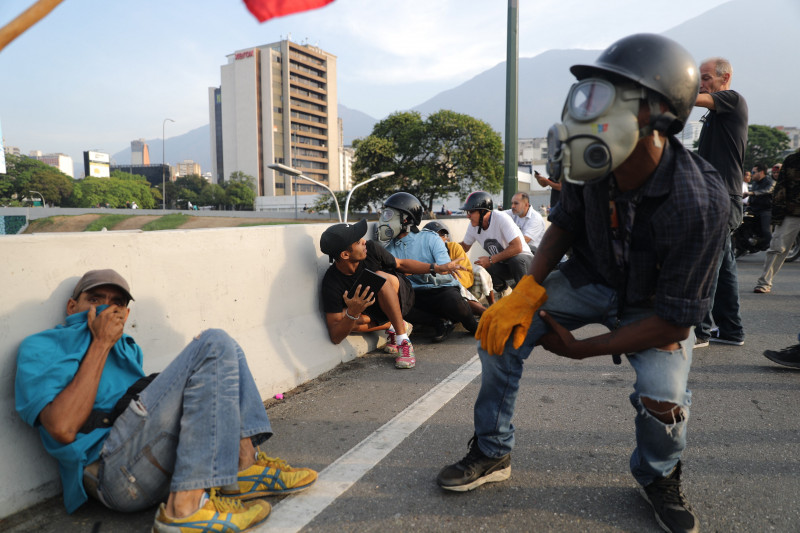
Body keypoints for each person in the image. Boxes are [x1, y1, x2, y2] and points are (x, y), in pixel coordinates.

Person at [437, 34, 728, 533]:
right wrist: (527, 292)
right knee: (498, 330)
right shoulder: (590, 164)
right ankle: (492, 450)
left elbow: (675, 324)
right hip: (589, 277)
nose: (589, 113)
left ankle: (658, 475)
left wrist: (583, 351)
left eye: (612, 98)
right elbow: (565, 224)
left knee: (665, 400)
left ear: (660, 116)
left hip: (654, 310)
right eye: (590, 95)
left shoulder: (700, 201)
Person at [15, 269, 317, 532]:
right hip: (113, 473)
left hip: (149, 460)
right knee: (213, 341)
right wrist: (101, 343)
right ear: (72, 306)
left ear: (126, 315)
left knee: (229, 349)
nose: (107, 309)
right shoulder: (41, 346)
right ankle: (184, 509)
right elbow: (62, 428)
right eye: (96, 299)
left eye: (117, 303)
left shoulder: (127, 350)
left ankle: (242, 467)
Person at [693, 56, 748, 348]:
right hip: (715, 197)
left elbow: (691, 98)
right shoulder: (716, 113)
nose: (702, 84)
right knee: (724, 268)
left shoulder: (732, 99)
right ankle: (731, 330)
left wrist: (671, 84)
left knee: (707, 265)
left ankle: (700, 331)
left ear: (724, 78)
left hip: (722, 199)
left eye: (706, 77)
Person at [379, 192, 478, 343]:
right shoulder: (388, 250)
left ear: (406, 219)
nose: (384, 219)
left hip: (440, 291)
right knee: (396, 305)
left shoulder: (430, 238)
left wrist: (413, 272)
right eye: (384, 214)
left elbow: (445, 273)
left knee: (453, 300)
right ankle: (440, 323)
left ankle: (473, 325)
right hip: (414, 295)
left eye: (389, 215)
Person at [319, 218, 416, 368]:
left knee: (380, 277)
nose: (364, 241)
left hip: (398, 296)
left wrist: (434, 268)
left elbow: (400, 264)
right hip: (370, 309)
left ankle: (403, 340)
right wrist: (352, 312)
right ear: (345, 255)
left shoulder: (370, 249)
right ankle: (395, 325)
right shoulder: (331, 282)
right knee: (345, 320)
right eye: (358, 241)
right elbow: (335, 336)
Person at [459, 191, 534, 295]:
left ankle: (528, 295)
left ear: (482, 211)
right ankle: (505, 292)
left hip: (524, 260)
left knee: (516, 260)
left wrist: (490, 260)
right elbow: (464, 247)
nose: (468, 216)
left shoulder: (501, 218)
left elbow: (517, 247)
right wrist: (446, 247)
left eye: (470, 212)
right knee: (484, 267)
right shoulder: (473, 226)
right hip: (505, 264)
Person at [754, 150, 800, 293]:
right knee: (777, 247)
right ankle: (764, 282)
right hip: (792, 212)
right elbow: (780, 188)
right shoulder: (792, 160)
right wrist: (778, 215)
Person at [423, 220, 489, 316]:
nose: (442, 239)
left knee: (479, 271)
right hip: (436, 291)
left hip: (463, 288)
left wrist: (452, 280)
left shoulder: (454, 247)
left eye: (443, 236)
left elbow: (467, 274)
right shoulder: (422, 253)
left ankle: (490, 307)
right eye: (436, 236)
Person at [744, 164, 775, 250]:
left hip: (766, 210)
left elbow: (767, 190)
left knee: (766, 231)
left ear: (761, 172)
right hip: (754, 209)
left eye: (753, 172)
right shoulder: (754, 183)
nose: (751, 174)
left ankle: (769, 245)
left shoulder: (770, 182)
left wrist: (751, 193)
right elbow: (751, 196)